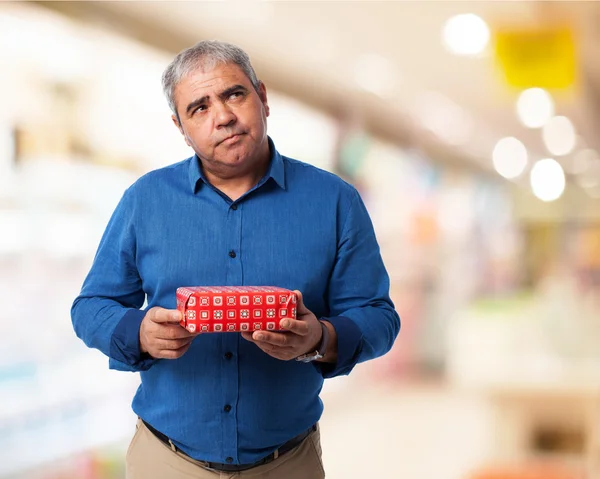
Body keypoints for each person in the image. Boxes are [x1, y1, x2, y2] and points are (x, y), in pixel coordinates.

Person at [71, 40, 400, 479]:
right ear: (181, 128)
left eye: (234, 95)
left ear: (262, 97)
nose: (222, 116)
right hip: (167, 461)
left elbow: (379, 316)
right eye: (199, 108)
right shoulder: (144, 201)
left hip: (288, 463)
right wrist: (140, 333)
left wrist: (319, 338)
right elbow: (90, 306)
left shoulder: (335, 201)